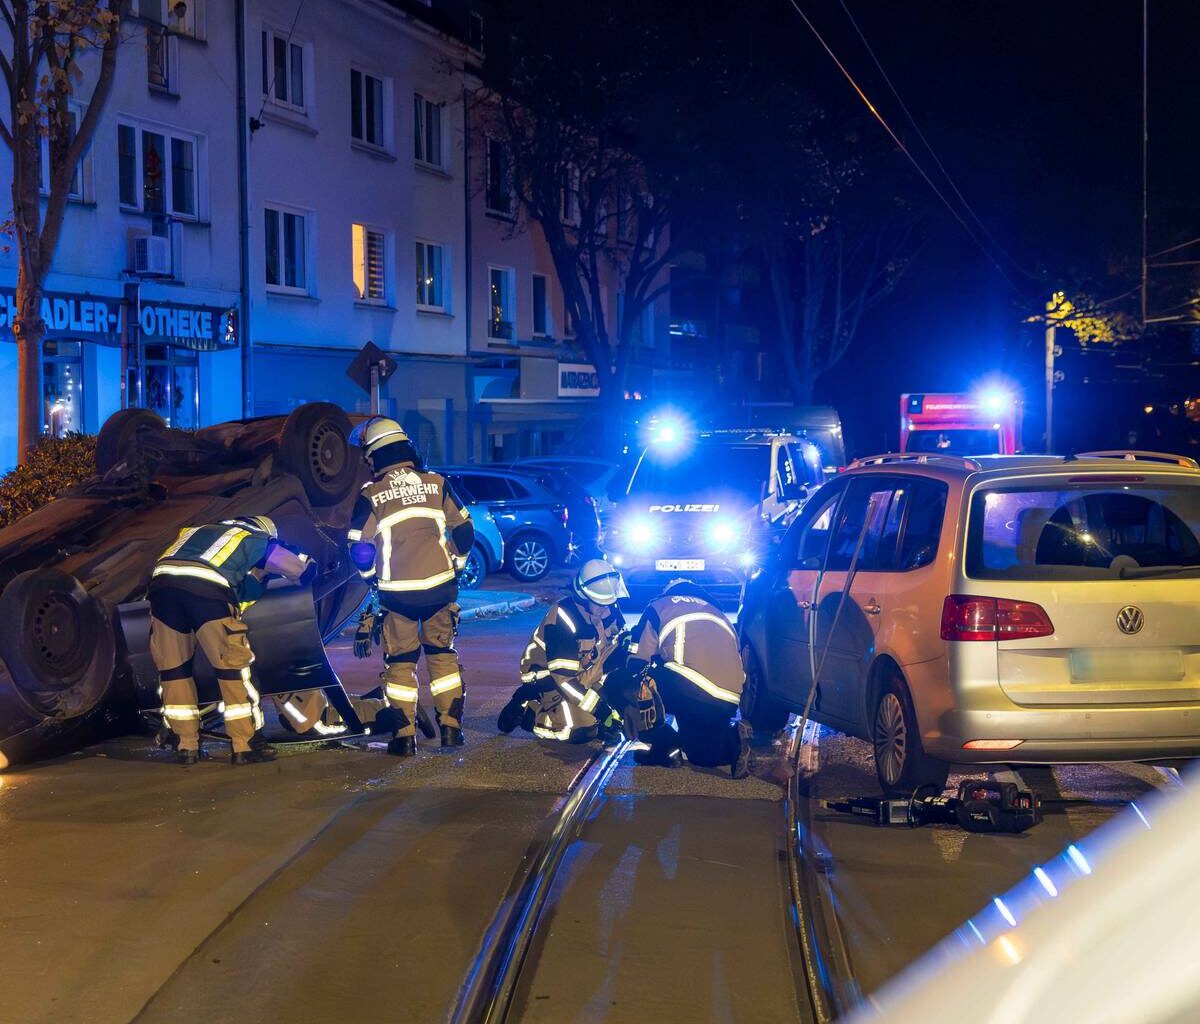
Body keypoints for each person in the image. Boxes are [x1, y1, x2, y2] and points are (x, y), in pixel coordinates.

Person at [348, 418, 474, 757]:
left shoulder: (371, 495)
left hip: (397, 595)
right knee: (442, 657)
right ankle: (451, 730)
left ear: (374, 455)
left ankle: (403, 737)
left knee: (401, 663)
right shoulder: (437, 483)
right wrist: (455, 568)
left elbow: (359, 548)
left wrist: (370, 579)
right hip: (440, 590)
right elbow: (463, 533)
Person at [149, 515, 316, 765]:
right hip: (207, 592)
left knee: (174, 671)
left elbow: (232, 587)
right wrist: (306, 568)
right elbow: (298, 569)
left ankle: (185, 745)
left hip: (161, 589)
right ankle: (246, 744)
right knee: (232, 669)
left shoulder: (195, 531)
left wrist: (255, 581)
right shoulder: (252, 538)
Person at [618, 578, 751, 779]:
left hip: (688, 687)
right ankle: (733, 741)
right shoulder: (719, 614)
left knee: (624, 683)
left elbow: (637, 659)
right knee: (703, 757)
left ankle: (662, 745)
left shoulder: (659, 606)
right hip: (728, 699)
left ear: (668, 592)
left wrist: (626, 666)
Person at [498, 559, 628, 744]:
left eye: (609, 602)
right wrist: (601, 709)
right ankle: (530, 712)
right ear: (584, 597)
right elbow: (564, 681)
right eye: (600, 604)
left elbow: (614, 645)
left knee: (623, 706)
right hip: (547, 678)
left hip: (584, 673)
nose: (606, 608)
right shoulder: (564, 618)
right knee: (583, 731)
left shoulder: (607, 604)